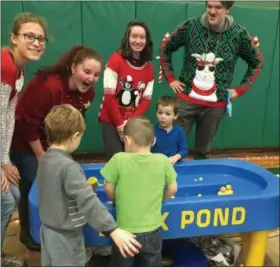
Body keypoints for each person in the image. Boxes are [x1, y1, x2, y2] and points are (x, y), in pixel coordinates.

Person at [10, 44, 102, 251]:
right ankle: (30, 234)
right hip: (26, 141)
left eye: (96, 75)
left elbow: (72, 125)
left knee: (57, 182)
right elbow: (28, 123)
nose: (91, 78)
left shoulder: (88, 93)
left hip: (54, 142)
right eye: (86, 72)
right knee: (33, 183)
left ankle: (54, 226)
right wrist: (41, 154)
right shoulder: (48, 87)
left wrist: (61, 151)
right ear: (72, 68)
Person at [37, 104, 141, 266]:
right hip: (67, 238)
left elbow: (55, 189)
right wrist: (112, 229)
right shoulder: (69, 167)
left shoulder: (45, 159)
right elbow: (89, 202)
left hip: (47, 231)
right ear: (75, 136)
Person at [160, 1, 263, 160]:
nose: (212, 11)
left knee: (203, 152)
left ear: (228, 9)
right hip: (186, 100)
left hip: (215, 106)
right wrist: (171, 78)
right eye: (209, 6)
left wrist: (239, 90)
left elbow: (257, 62)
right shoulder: (190, 26)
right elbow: (166, 47)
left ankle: (198, 182)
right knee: (171, 146)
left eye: (218, 7)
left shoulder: (239, 34)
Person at [1, 12, 48, 263]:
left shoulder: (18, 71)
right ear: (14, 38)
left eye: (41, 38)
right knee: (6, 199)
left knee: (13, 197)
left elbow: (8, 117)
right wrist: (1, 163)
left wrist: (4, 160)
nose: (37, 42)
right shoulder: (5, 65)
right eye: (29, 36)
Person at [102, 116, 178, 267]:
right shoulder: (163, 160)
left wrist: (117, 199)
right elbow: (173, 188)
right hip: (153, 230)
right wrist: (160, 198)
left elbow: (108, 188)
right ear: (154, 141)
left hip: (124, 232)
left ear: (127, 140)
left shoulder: (118, 159)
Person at [99, 20, 154, 161]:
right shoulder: (115, 60)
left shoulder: (149, 69)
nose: (138, 40)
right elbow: (109, 96)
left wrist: (130, 123)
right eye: (134, 36)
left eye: (142, 37)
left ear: (147, 41)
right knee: (117, 159)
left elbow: (146, 100)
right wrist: (119, 125)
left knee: (133, 160)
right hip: (111, 119)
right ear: (127, 38)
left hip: (132, 121)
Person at [152, 96, 188, 164]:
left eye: (168, 114)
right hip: (155, 166)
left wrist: (175, 157)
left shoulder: (179, 131)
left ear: (175, 115)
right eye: (160, 113)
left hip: (174, 166)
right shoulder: (151, 130)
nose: (163, 117)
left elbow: (184, 150)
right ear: (156, 113)